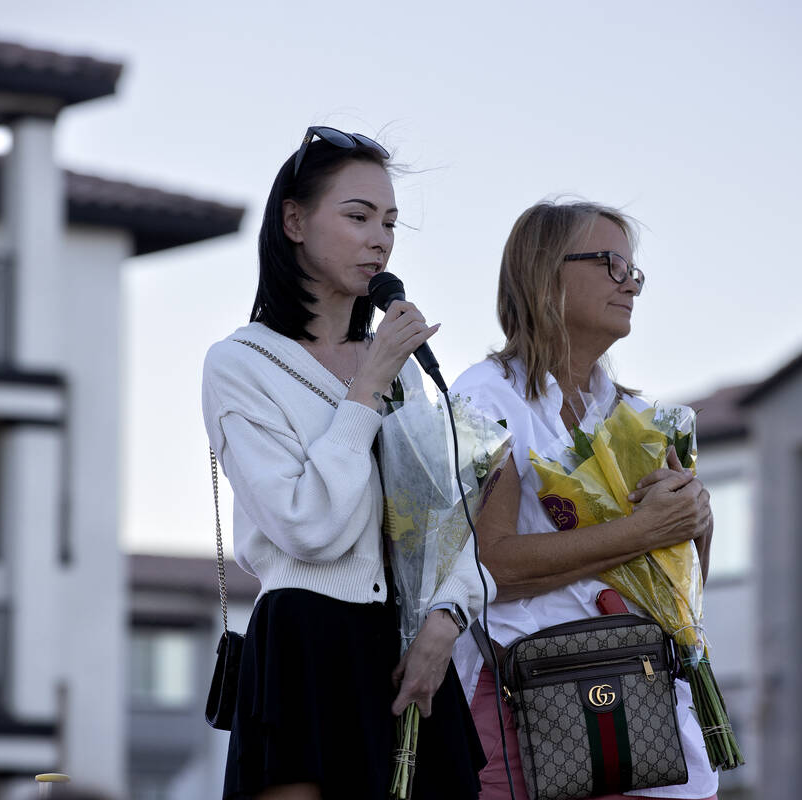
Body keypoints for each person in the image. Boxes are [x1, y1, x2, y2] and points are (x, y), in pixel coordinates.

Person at [202, 127, 492, 800]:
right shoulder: (241, 364)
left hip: (410, 655)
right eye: (358, 216)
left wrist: (447, 622)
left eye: (389, 222)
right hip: (308, 645)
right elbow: (308, 527)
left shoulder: (400, 370)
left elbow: (450, 527)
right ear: (294, 221)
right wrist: (365, 389)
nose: (380, 239)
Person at [451, 200, 719, 800]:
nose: (631, 284)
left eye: (634, 270)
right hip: (532, 708)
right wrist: (641, 532)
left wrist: (696, 522)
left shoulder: (640, 417)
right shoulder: (483, 400)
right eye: (610, 263)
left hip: (648, 707)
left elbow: (682, 594)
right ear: (544, 274)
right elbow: (490, 567)